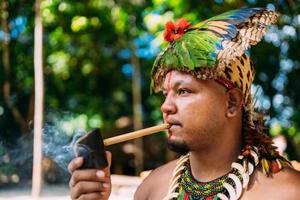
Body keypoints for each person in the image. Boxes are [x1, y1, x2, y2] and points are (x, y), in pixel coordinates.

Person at [68, 7, 300, 200]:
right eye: (166, 95)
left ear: (231, 102)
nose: (166, 107)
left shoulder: (287, 192)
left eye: (184, 91)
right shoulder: (152, 189)